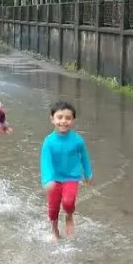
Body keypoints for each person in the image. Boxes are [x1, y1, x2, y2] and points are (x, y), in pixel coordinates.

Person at [40, 101, 93, 240]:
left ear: (73, 120)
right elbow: (45, 162)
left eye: (68, 118)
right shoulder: (49, 141)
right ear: (52, 119)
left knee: (68, 202)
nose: (64, 121)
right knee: (53, 209)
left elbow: (85, 157)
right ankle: (54, 230)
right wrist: (47, 179)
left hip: (72, 177)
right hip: (54, 179)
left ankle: (69, 216)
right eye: (60, 117)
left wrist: (88, 173)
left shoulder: (77, 140)